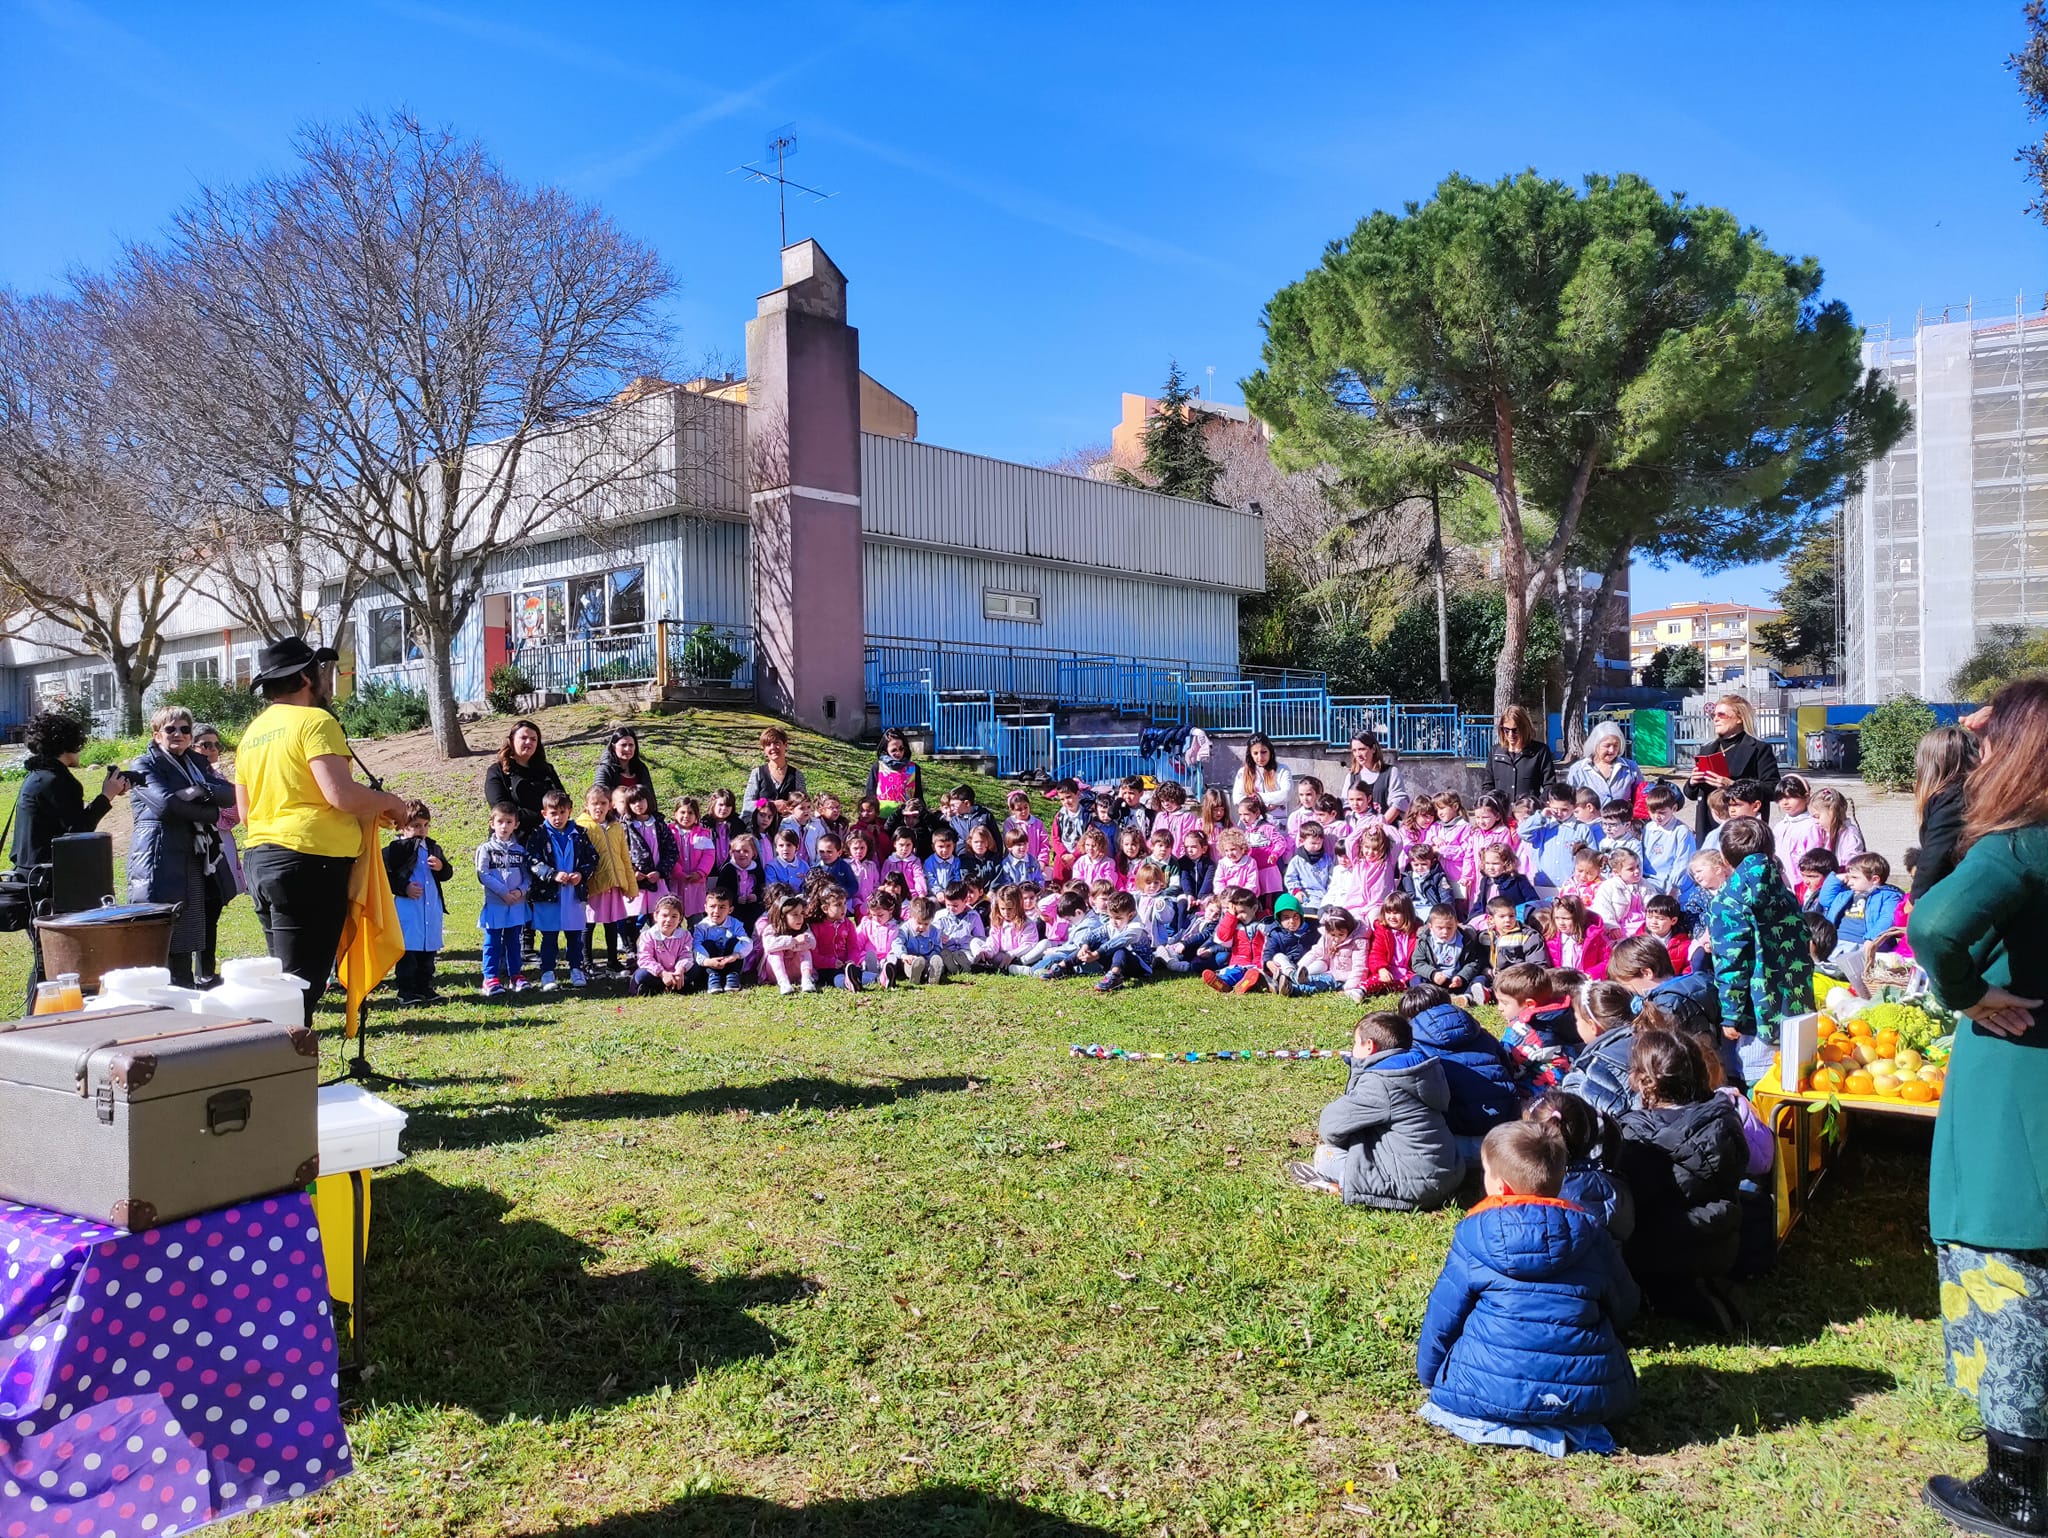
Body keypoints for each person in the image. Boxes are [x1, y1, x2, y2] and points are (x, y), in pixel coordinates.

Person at [1904, 678, 2048, 1536]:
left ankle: (2020, 1487)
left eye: (1993, 742)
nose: (1979, 757)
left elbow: (1935, 926)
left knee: (2005, 1265)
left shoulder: (2023, 844)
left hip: (2017, 1070)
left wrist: (1968, 993)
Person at [1414, 1119, 1638, 1457]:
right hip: (1587, 1398)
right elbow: (1625, 1306)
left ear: (1500, 1187)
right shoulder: (1592, 1234)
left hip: (1484, 1390)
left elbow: (1444, 1315)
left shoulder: (1474, 1234)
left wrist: (1430, 1375)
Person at [235, 637, 411, 1026]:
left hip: (262, 861)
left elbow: (246, 813)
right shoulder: (316, 721)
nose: (326, 679)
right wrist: (392, 804)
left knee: (284, 979)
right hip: (309, 865)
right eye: (320, 671)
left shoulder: (252, 733)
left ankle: (280, 1068)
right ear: (304, 678)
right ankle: (283, 1073)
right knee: (300, 987)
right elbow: (341, 794)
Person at [1613, 1029, 1748, 1334]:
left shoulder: (1635, 1136)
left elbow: (1634, 1203)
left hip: (1659, 1251)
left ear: (1641, 1079)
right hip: (1723, 1241)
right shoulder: (1724, 1116)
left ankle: (1670, 1295)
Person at [9, 708, 131, 1010]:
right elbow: (77, 833)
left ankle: (43, 1022)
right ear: (68, 743)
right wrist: (106, 796)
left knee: (47, 959)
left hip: (32, 879)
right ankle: (39, 1024)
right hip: (50, 885)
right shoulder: (57, 781)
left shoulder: (37, 777)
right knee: (50, 962)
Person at [1286, 1011, 1465, 1211]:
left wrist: (1358, 1071)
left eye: (1355, 1043)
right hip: (1450, 1174)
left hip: (1416, 1187)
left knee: (1324, 1155)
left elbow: (1331, 1126)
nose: (1352, 1049)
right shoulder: (1425, 1069)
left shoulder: (1381, 1081)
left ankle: (1340, 1184)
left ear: (1369, 1046)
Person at [126, 705, 238, 988]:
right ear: (156, 734)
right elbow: (166, 805)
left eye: (184, 729)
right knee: (161, 939)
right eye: (170, 729)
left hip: (192, 858)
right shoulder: (144, 765)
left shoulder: (197, 764)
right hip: (158, 859)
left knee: (187, 937)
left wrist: (199, 791)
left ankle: (187, 995)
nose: (178, 734)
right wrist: (210, 812)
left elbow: (229, 794)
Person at [1706, 817, 1811, 1089]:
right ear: (1771, 852)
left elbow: (1731, 962)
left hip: (1756, 1015)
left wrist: (1730, 1014)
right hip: (1797, 1004)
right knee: (1796, 1082)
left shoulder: (1728, 900)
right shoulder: (1784, 893)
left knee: (1760, 1087)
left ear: (1725, 859)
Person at [191, 724, 245, 987]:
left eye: (215, 745)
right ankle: (199, 973)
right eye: (205, 745)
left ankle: (206, 971)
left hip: (220, 849)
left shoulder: (219, 777)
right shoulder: (192, 777)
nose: (212, 750)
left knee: (212, 911)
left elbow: (234, 813)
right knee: (200, 914)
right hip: (198, 851)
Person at [383, 798, 451, 1006]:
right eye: (415, 826)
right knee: (408, 951)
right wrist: (404, 888)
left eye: (425, 825)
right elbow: (385, 877)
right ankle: (406, 990)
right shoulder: (395, 850)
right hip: (408, 909)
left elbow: (447, 873)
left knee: (428, 951)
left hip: (430, 909)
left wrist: (441, 867)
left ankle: (425, 986)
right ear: (402, 827)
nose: (422, 830)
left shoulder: (433, 848)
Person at [1686, 694, 1781, 839]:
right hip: (1709, 827)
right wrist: (1692, 782)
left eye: (1721, 714)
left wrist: (1733, 785)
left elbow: (1773, 788)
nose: (1715, 719)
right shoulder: (1707, 749)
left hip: (1743, 829)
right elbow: (1691, 794)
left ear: (1739, 718)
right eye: (1713, 715)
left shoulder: (1758, 749)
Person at [1911, 723, 1979, 900]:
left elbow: (1935, 854)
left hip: (1957, 892)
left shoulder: (1953, 799)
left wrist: (1914, 899)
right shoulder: (1968, 793)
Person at [476, 801, 535, 996]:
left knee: (514, 941)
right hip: (496, 904)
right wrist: (503, 892)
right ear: (492, 823)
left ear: (516, 824)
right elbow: (482, 873)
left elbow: (528, 875)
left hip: (517, 905)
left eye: (509, 822)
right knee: (492, 941)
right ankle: (490, 977)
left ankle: (515, 975)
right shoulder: (485, 849)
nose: (504, 826)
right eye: (500, 821)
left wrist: (520, 891)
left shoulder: (520, 851)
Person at [483, 720, 567, 839]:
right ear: (511, 741)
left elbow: (562, 799)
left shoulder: (546, 769)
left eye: (534, 739)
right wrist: (542, 815)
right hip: (512, 840)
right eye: (523, 737)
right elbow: (502, 810)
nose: (529, 742)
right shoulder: (497, 771)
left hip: (548, 836)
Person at [1483, 705, 1555, 802]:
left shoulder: (1540, 751)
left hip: (1529, 814)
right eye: (1506, 730)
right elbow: (1487, 786)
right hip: (1501, 814)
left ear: (1525, 728)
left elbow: (1550, 786)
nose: (1510, 735)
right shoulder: (1495, 752)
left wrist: (1536, 806)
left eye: (1515, 730)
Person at [1566, 721, 1643, 806]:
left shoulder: (1631, 767)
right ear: (1595, 745)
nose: (1612, 750)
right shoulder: (1578, 769)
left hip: (1622, 818)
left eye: (1616, 745)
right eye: (1607, 746)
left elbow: (1641, 798)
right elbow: (1569, 801)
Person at [1345, 732, 1410, 817]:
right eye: (1354, 750)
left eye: (1362, 749)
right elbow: (1346, 805)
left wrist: (1381, 824)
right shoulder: (1351, 777)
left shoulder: (1391, 773)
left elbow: (1398, 803)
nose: (1358, 754)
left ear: (1373, 749)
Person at [741, 726, 806, 811]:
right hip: (762, 823)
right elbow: (748, 804)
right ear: (764, 750)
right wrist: (771, 804)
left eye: (777, 743)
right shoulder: (758, 773)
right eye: (768, 745)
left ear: (785, 745)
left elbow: (804, 805)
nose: (773, 747)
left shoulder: (797, 775)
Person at [1231, 733, 1291, 821]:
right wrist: (1269, 803)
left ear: (1270, 751)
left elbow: (1286, 794)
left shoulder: (1282, 770)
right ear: (1250, 754)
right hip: (1253, 824)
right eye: (1255, 753)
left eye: (1264, 752)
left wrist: (1257, 797)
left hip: (1277, 824)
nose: (1260, 757)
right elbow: (1237, 799)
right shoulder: (1243, 772)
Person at [867, 728, 923, 818]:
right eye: (894, 750)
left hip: (906, 818)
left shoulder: (914, 768)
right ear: (886, 749)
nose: (898, 753)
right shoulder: (877, 767)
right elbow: (870, 795)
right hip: (882, 818)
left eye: (901, 749)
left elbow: (918, 796)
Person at [591, 726, 660, 799]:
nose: (627, 749)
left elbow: (650, 798)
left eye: (631, 745)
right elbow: (599, 796)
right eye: (623, 745)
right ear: (614, 747)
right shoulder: (605, 770)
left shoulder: (641, 768)